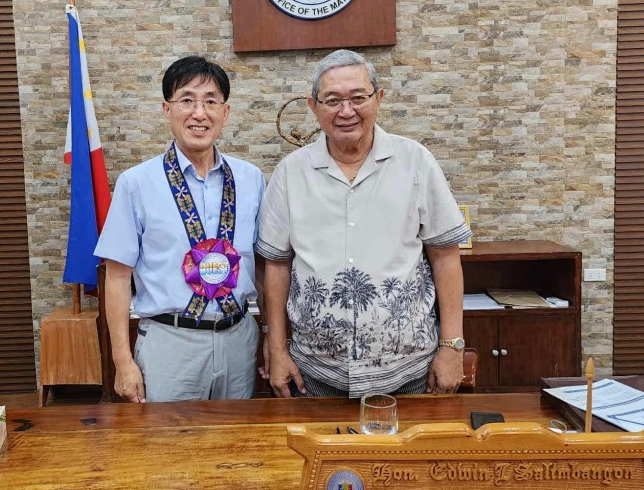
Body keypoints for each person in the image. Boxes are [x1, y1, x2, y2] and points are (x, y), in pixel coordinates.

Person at [256, 49, 471, 399]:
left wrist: (452, 347)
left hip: (409, 372)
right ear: (314, 107)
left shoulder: (415, 162)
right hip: (315, 373)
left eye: (358, 98)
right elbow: (277, 265)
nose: (346, 111)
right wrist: (277, 349)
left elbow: (446, 257)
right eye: (332, 100)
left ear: (379, 99)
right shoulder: (291, 173)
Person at [94, 55, 265, 402]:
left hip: (239, 339)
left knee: (238, 435)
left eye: (211, 102)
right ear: (166, 109)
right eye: (187, 100)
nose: (199, 113)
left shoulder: (251, 179)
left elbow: (264, 265)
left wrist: (272, 340)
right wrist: (122, 361)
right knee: (168, 437)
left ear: (225, 113)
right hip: (169, 345)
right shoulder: (136, 183)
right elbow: (117, 276)